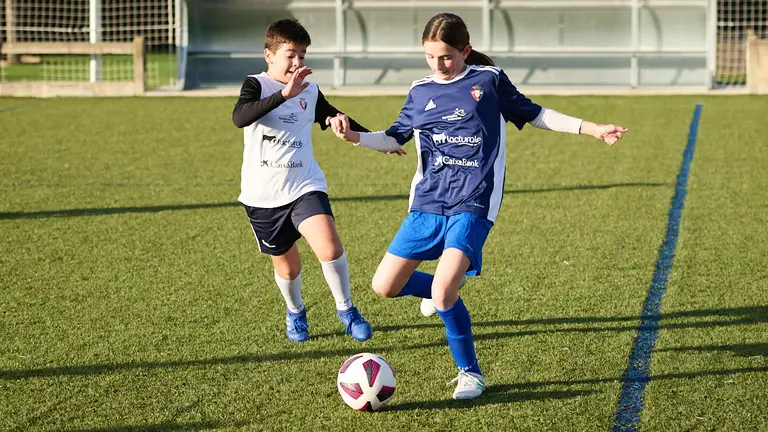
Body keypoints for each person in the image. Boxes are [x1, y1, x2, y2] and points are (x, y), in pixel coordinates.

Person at [327, 12, 628, 399]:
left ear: (465, 51)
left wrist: (595, 128)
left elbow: (537, 115)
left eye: (447, 57)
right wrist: (353, 136)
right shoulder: (420, 91)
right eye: (431, 57)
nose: (439, 65)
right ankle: (440, 292)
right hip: (428, 202)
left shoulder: (489, 81)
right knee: (384, 286)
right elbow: (393, 137)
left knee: (442, 293)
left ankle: (470, 372)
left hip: (473, 202)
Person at [232, 18, 388, 343]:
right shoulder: (256, 85)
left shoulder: (311, 91)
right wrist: (285, 94)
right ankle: (295, 311)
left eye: (302, 55)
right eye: (290, 54)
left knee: (329, 245)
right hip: (263, 198)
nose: (298, 62)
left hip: (305, 185)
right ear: (269, 55)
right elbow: (240, 117)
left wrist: (372, 139)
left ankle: (346, 310)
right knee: (288, 269)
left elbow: (332, 115)